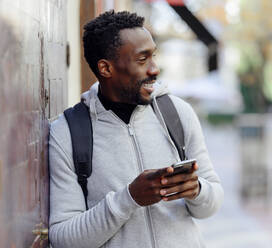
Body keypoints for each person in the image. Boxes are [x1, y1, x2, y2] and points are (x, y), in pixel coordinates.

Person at [48, 10, 223, 248]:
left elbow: (211, 203)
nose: (154, 69)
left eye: (153, 56)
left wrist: (197, 190)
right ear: (106, 68)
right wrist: (128, 198)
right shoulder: (67, 132)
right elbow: (63, 237)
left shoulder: (178, 112)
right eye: (142, 60)